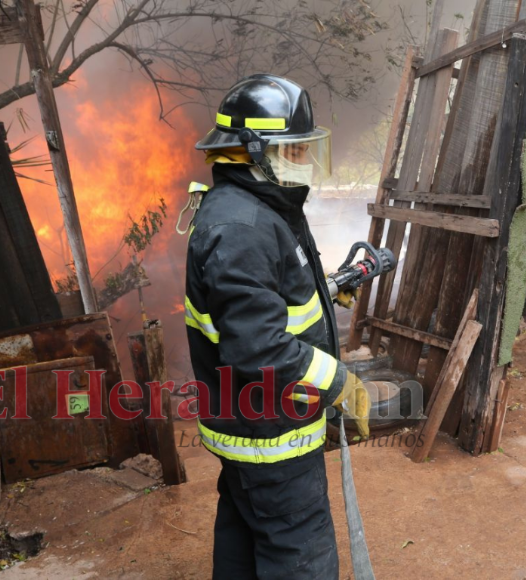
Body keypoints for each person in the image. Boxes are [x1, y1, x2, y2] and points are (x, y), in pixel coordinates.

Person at [184, 73, 370, 580]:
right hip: (271, 436)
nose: (302, 162)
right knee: (298, 555)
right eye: (292, 151)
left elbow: (259, 303)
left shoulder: (254, 205)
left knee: (244, 537)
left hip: (248, 432)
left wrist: (326, 294)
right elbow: (260, 348)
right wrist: (339, 383)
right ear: (252, 150)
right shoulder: (242, 227)